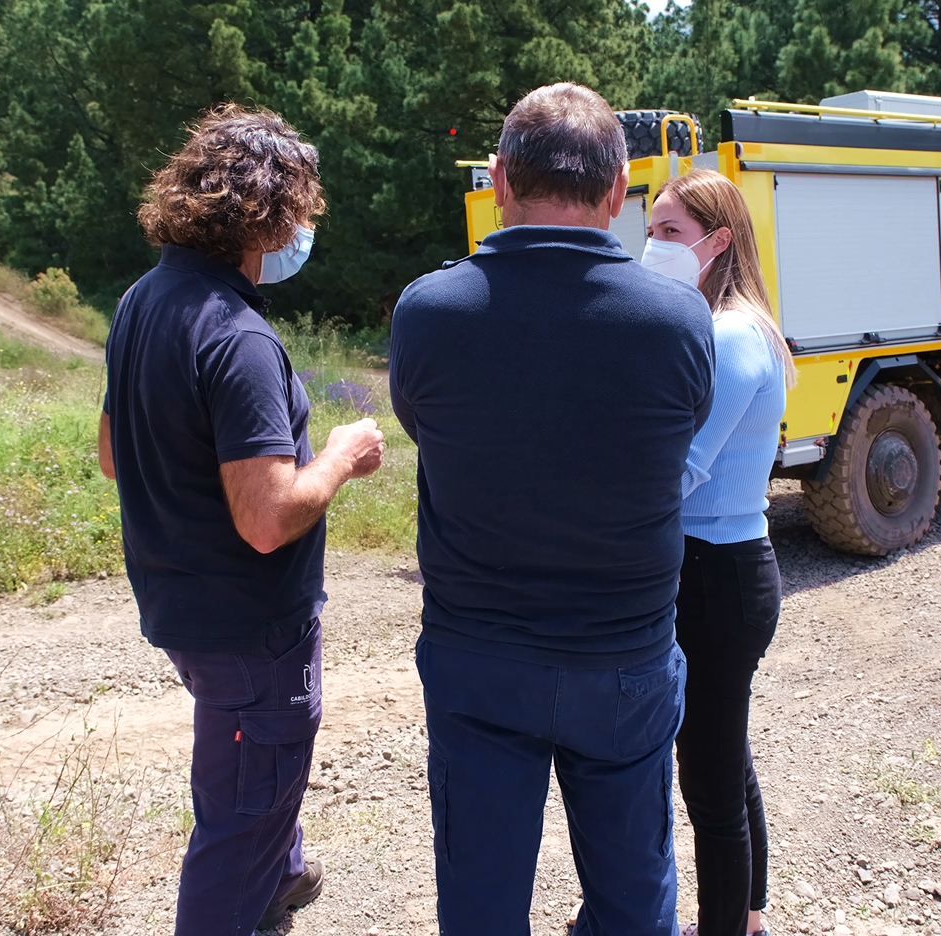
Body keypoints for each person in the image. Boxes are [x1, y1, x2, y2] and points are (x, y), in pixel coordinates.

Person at [389, 83, 716, 936]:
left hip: (479, 655)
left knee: (482, 901)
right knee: (633, 899)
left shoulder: (429, 311)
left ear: (499, 179)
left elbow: (423, 428)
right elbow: (678, 431)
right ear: (619, 192)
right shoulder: (680, 318)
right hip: (624, 659)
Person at [99, 104, 385, 936]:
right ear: (270, 212)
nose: (303, 230)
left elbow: (116, 456)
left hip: (180, 605)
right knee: (247, 801)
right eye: (299, 210)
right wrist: (338, 456)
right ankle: (249, 884)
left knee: (238, 751)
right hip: (249, 624)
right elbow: (266, 521)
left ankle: (282, 875)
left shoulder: (143, 300)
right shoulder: (239, 338)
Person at [642, 170, 795, 936]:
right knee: (722, 758)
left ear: (718, 240)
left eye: (669, 231)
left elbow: (680, 469)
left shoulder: (732, 334)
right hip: (712, 571)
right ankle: (752, 913)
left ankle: (725, 926)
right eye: (650, 227)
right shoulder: (714, 322)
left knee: (706, 781)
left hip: (716, 577)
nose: (651, 245)